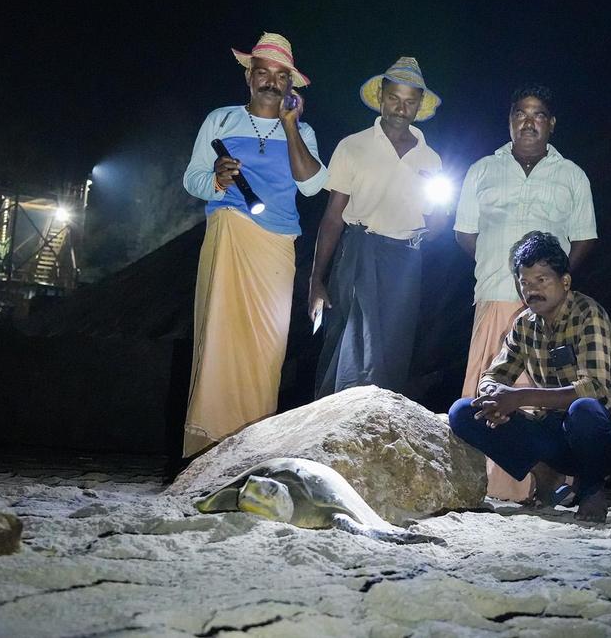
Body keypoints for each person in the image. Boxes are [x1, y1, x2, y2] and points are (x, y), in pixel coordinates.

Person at [180, 32, 328, 458]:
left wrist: (290, 126)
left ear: (290, 85)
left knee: (267, 349)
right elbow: (191, 177)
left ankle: (252, 449)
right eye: (262, 72)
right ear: (249, 76)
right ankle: (204, 450)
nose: (270, 82)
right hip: (228, 235)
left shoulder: (303, 131)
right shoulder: (220, 120)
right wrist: (217, 180)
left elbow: (314, 184)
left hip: (276, 246)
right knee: (219, 339)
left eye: (281, 76)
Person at [453, 85, 598, 501]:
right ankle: (494, 486)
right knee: (489, 389)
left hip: (548, 311)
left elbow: (584, 240)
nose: (529, 122)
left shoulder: (572, 175)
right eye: (521, 113)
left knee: (545, 393)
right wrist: (501, 267)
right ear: (510, 119)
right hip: (496, 294)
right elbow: (466, 235)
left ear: (551, 124)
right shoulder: (482, 170)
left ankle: (550, 482)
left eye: (538, 115)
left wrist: (551, 286)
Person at [449, 231, 611, 523]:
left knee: (584, 409)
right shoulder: (524, 324)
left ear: (565, 282)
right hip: (553, 434)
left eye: (541, 280)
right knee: (463, 412)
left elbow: (594, 389)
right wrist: (495, 399)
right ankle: (546, 475)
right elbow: (494, 375)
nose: (531, 290)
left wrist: (519, 397)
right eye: (524, 282)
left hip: (598, 438)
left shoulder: (588, 315)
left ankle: (592, 489)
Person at [309, 57, 444, 397]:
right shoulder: (352, 146)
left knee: (392, 348)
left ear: (418, 106)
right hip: (359, 252)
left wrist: (439, 203)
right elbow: (332, 217)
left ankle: (376, 430)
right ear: (381, 98)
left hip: (404, 263)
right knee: (348, 342)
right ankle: (332, 423)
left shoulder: (431, 160)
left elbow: (437, 228)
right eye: (394, 98)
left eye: (410, 101)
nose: (401, 107)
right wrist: (316, 278)